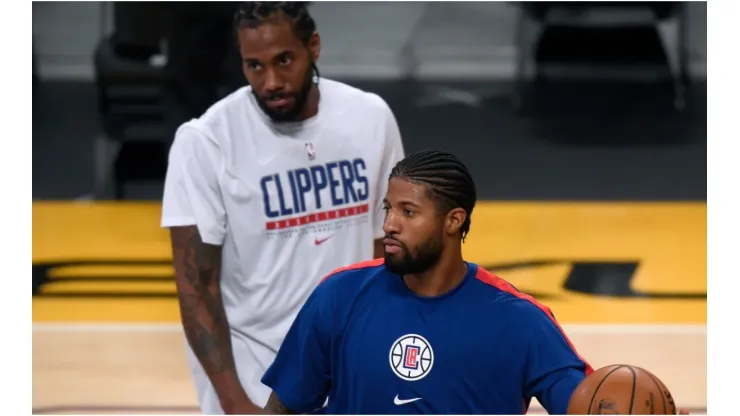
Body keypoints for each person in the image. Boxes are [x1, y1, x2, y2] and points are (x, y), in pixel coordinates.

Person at [160, 2, 405, 414]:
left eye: (284, 60)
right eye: (254, 66)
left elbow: (388, 247)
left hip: (348, 371)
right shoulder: (205, 141)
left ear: (314, 46)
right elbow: (195, 287)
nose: (271, 81)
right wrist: (234, 402)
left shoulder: (371, 118)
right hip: (255, 376)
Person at [259, 149, 593, 414]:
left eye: (408, 211)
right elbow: (281, 407)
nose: (389, 224)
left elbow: (587, 404)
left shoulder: (519, 320)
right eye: (388, 208)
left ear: (453, 221)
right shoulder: (340, 295)